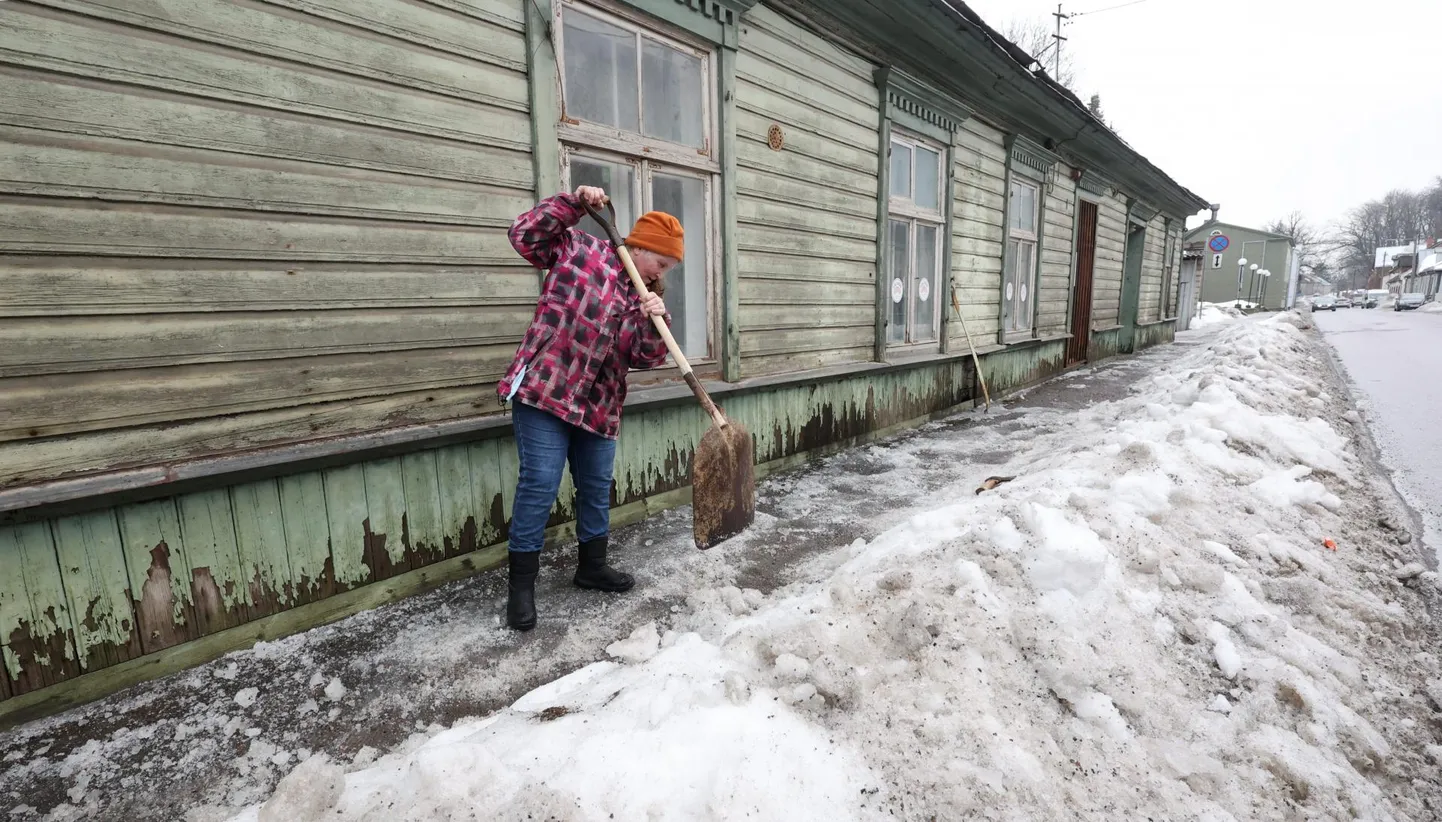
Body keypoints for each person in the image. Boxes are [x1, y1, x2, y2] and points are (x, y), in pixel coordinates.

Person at [497, 185, 682, 631]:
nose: (663, 273)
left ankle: (591, 567)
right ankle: (521, 588)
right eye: (661, 262)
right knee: (540, 483)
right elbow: (524, 236)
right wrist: (573, 205)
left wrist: (651, 321)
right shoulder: (578, 249)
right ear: (639, 246)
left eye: (669, 268)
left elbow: (639, 356)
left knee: (596, 486)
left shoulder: (645, 297)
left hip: (598, 405)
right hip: (545, 389)